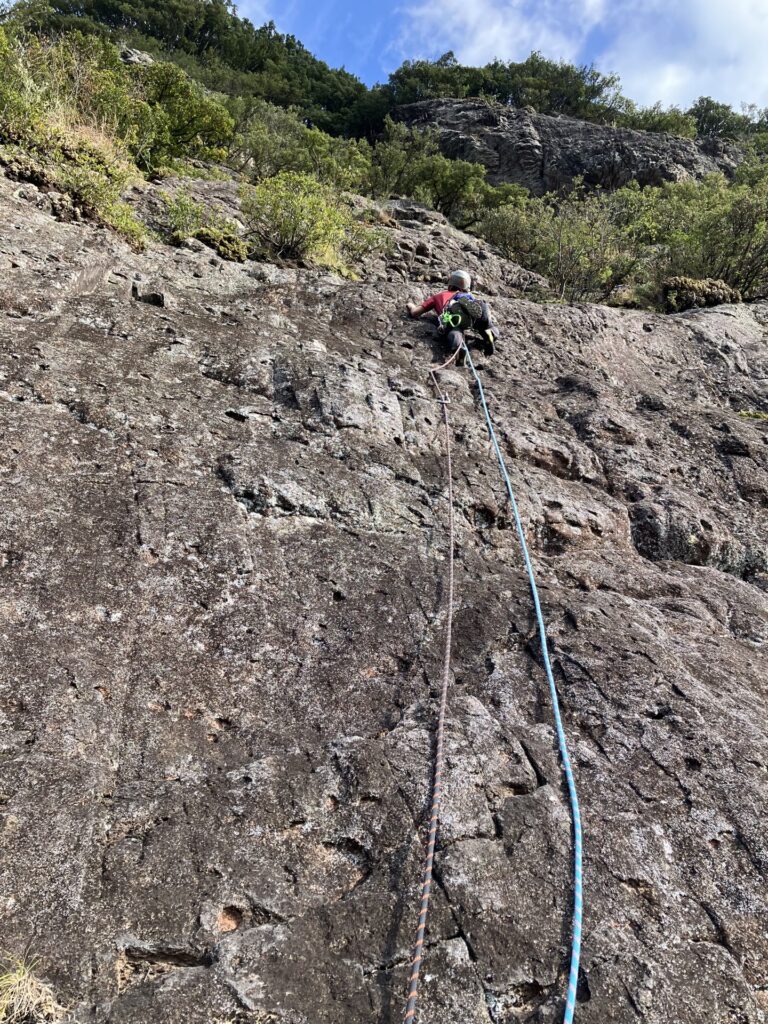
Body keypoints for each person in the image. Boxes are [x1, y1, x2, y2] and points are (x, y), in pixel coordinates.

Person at [406, 269, 498, 366]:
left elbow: (415, 313)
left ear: (450, 283)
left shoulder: (438, 296)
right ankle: (490, 333)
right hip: (473, 312)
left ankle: (460, 354)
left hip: (454, 315)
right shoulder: (468, 295)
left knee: (455, 330)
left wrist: (411, 306)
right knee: (484, 325)